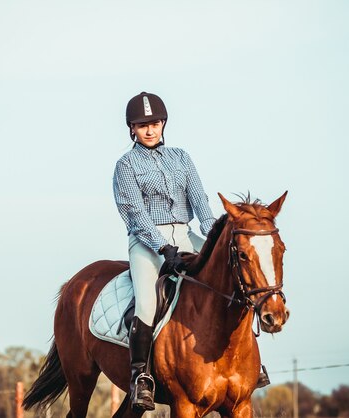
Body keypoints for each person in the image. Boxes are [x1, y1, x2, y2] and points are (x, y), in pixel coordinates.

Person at [113, 92, 217, 411]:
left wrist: (214, 236)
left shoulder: (182, 157)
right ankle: (140, 377)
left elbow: (199, 199)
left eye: (155, 123)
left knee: (228, 276)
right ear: (132, 128)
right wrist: (162, 247)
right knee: (146, 302)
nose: (150, 130)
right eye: (142, 125)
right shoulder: (125, 165)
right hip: (147, 241)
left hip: (185, 233)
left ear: (163, 124)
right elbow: (134, 211)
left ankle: (249, 365)